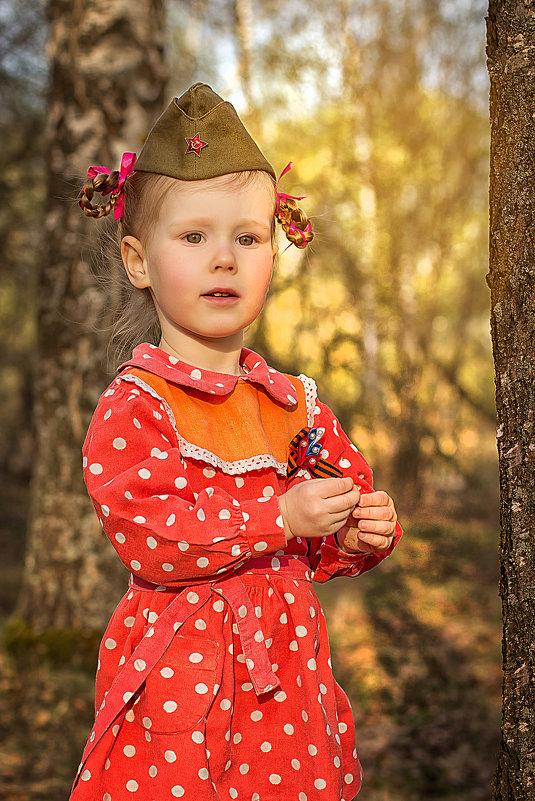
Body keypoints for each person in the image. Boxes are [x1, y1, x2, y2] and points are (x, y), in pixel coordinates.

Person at [70, 82, 401, 801]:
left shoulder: (293, 405)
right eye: (193, 236)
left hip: (286, 679)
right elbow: (153, 537)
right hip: (183, 681)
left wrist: (356, 531)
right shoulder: (137, 404)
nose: (224, 258)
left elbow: (319, 539)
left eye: (246, 237)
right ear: (137, 260)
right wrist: (279, 517)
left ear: (271, 253)